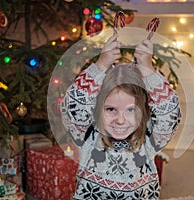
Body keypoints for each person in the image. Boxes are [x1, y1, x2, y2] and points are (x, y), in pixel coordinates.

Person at [61, 33, 181, 200]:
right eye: (111, 109)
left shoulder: (149, 138)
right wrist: (100, 65)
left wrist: (148, 71)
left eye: (131, 110)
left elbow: (170, 113)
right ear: (97, 108)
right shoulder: (88, 135)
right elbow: (73, 107)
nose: (120, 120)